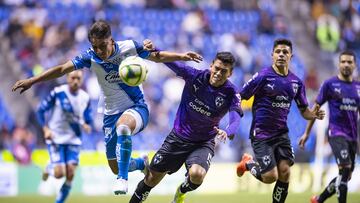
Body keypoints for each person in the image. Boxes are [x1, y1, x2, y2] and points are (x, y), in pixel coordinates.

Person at [11, 20, 200, 195]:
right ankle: (141, 163)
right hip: (110, 113)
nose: (99, 51)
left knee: (123, 127)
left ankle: (123, 179)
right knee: (115, 166)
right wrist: (32, 80)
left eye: (102, 46)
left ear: (111, 39)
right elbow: (61, 69)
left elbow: (157, 56)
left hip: (137, 107)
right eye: (95, 47)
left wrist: (182, 55)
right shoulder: (90, 56)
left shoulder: (129, 47)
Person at [129, 51, 243, 203]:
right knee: (151, 180)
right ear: (211, 66)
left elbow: (235, 118)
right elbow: (166, 61)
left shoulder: (232, 93)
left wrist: (228, 131)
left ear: (230, 73)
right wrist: (152, 48)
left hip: (203, 142)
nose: (218, 73)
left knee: (197, 174)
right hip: (178, 138)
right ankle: (144, 172)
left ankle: (181, 191)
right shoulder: (194, 76)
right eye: (217, 68)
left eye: (224, 71)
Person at [236, 38, 325, 203]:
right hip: (261, 134)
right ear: (272, 55)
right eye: (278, 52)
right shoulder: (263, 76)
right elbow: (241, 95)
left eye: (285, 52)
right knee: (270, 177)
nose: (281, 55)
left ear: (291, 56)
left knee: (285, 172)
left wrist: (313, 115)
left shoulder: (296, 83)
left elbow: (304, 111)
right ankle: (248, 164)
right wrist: (234, 114)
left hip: (281, 134)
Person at [299, 51, 359, 203]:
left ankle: (319, 199)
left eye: (349, 62)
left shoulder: (358, 87)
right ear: (339, 64)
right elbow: (316, 108)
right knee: (345, 169)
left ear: (354, 65)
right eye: (343, 62)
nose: (346, 64)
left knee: (345, 175)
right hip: (336, 133)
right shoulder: (330, 84)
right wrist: (306, 133)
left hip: (353, 137)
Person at [37, 70, 92, 203]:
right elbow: (41, 110)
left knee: (71, 174)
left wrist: (86, 125)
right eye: (73, 78)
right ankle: (49, 167)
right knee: (59, 174)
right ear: (67, 78)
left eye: (78, 78)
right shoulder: (58, 93)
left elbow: (88, 118)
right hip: (55, 138)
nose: (75, 81)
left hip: (74, 139)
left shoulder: (85, 97)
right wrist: (45, 129)